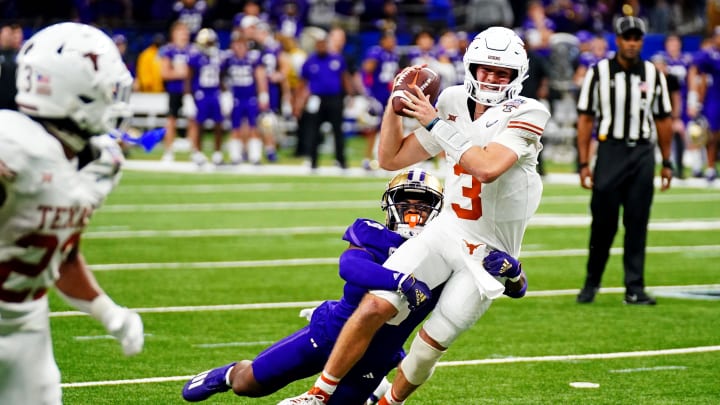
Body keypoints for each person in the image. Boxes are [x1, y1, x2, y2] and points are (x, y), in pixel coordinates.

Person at [282, 26, 547, 405]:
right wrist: (396, 107)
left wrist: (434, 123)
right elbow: (391, 159)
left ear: (516, 76)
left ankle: (390, 402)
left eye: (500, 72)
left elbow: (487, 167)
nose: (490, 78)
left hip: (487, 253)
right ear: (471, 66)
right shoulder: (454, 100)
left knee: (429, 344)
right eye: (484, 69)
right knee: (376, 301)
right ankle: (319, 393)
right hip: (447, 229)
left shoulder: (528, 111)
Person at [182, 168, 446, 403]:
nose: (413, 210)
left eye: (423, 205)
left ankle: (373, 390)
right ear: (390, 205)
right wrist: (401, 281)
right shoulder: (372, 233)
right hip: (329, 333)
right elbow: (350, 267)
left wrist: (487, 262)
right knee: (248, 385)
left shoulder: (445, 257)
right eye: (405, 202)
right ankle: (230, 373)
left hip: (376, 355)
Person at [0, 22, 144, 404]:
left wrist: (109, 313)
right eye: (109, 88)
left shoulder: (99, 162)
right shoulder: (11, 146)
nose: (116, 99)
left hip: (27, 328)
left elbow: (61, 254)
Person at [575, 16, 673, 306]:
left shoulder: (654, 74)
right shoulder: (599, 72)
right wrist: (583, 163)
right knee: (603, 224)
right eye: (627, 38)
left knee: (638, 222)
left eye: (636, 38)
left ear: (641, 41)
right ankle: (592, 282)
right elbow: (585, 119)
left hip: (643, 153)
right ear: (617, 40)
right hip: (610, 151)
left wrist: (667, 162)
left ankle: (635, 288)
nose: (632, 43)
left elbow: (664, 119)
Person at [294, 28, 354, 170]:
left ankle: (341, 160)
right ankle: (313, 160)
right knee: (314, 131)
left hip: (334, 98)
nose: (321, 47)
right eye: (319, 44)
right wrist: (298, 102)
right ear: (316, 46)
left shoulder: (337, 59)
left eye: (323, 44)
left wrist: (349, 95)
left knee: (337, 130)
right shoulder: (310, 61)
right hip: (317, 99)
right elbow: (302, 83)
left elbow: (344, 78)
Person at [687, 26, 720, 182]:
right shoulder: (709, 55)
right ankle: (709, 167)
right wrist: (694, 100)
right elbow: (695, 72)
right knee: (711, 135)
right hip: (713, 100)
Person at [159, 21, 192, 163]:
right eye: (180, 32)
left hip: (190, 91)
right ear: (174, 34)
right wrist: (181, 73)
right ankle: (168, 151)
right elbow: (164, 73)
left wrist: (185, 73)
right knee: (171, 120)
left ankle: (194, 150)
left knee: (194, 120)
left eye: (185, 32)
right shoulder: (169, 50)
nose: (184, 35)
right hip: (174, 90)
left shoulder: (192, 50)